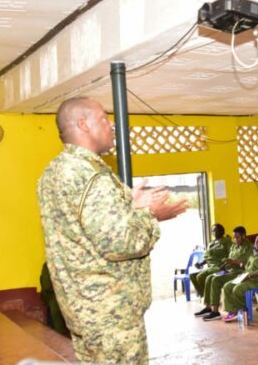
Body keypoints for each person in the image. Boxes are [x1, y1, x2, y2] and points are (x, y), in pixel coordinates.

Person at [37, 98, 188, 364]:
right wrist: (150, 215)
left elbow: (86, 228)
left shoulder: (54, 171)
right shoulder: (91, 176)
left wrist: (131, 206)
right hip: (111, 313)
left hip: (83, 308)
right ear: (82, 124)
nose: (112, 126)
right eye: (104, 119)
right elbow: (121, 244)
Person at [198, 226, 253, 321]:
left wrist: (235, 262)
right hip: (229, 270)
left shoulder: (249, 247)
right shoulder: (234, 246)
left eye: (237, 237)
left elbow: (249, 265)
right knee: (209, 278)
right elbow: (230, 258)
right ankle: (208, 307)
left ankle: (215, 311)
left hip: (240, 272)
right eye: (234, 237)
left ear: (244, 236)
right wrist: (226, 263)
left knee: (216, 280)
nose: (235, 239)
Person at [221, 235, 258, 322]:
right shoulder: (253, 254)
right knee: (227, 286)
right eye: (257, 242)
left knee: (237, 289)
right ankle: (233, 311)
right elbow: (247, 267)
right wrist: (242, 275)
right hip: (247, 278)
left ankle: (243, 311)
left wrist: (249, 276)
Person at [190, 224, 233, 298]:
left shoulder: (226, 241)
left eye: (216, 230)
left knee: (200, 276)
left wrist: (225, 265)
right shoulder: (211, 243)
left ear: (222, 231)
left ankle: (209, 299)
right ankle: (206, 297)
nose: (214, 232)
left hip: (219, 266)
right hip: (210, 266)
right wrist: (200, 263)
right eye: (212, 231)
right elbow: (208, 257)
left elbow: (232, 254)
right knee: (192, 276)